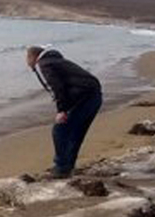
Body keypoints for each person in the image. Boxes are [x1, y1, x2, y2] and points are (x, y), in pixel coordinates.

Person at [26, 46, 103, 179]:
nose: (27, 64)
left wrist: (61, 110)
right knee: (76, 133)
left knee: (60, 130)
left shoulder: (43, 64)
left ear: (32, 57)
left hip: (83, 97)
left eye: (27, 59)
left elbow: (55, 87)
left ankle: (61, 167)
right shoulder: (56, 61)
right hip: (94, 95)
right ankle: (67, 166)